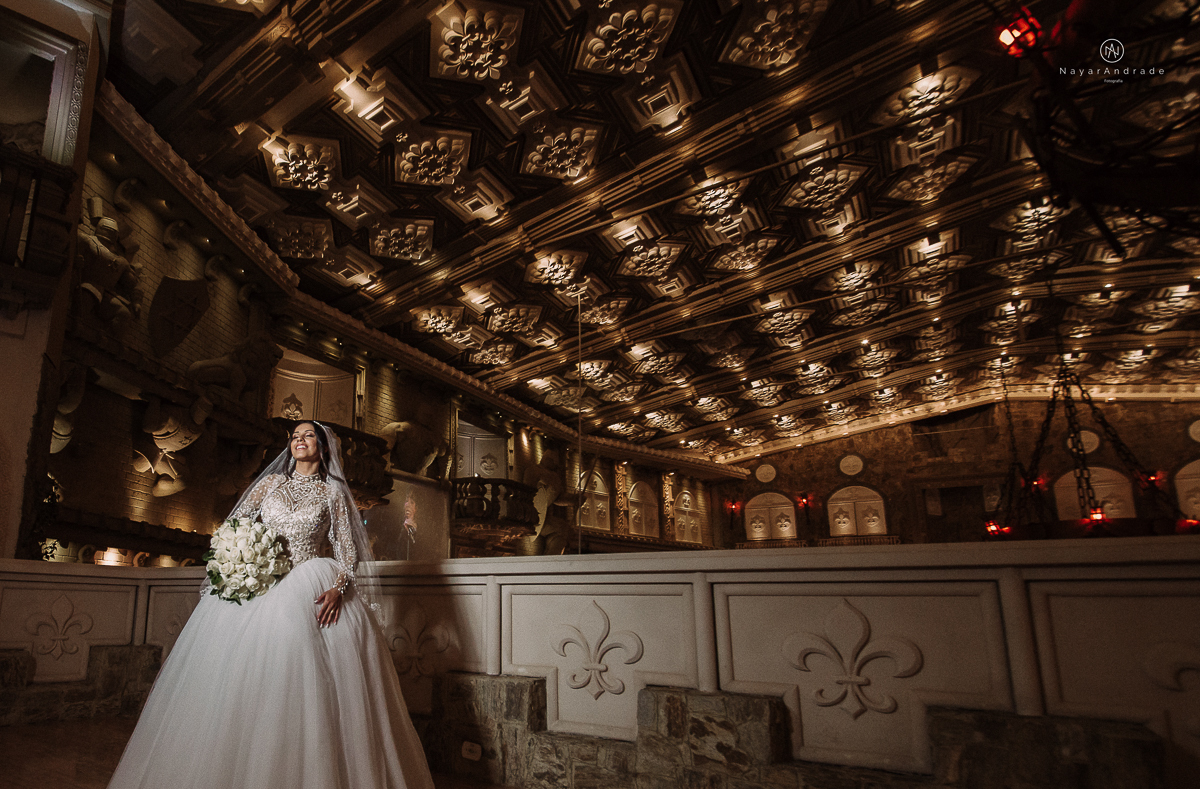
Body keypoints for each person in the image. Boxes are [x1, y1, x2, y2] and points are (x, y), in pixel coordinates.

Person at [108, 421, 435, 789]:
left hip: (310, 582)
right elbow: (232, 528)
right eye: (295, 435)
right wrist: (242, 556)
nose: (299, 440)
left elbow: (347, 553)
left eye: (308, 435)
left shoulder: (333, 493)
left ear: (324, 447)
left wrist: (338, 589)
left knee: (302, 674)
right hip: (260, 582)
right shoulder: (269, 484)